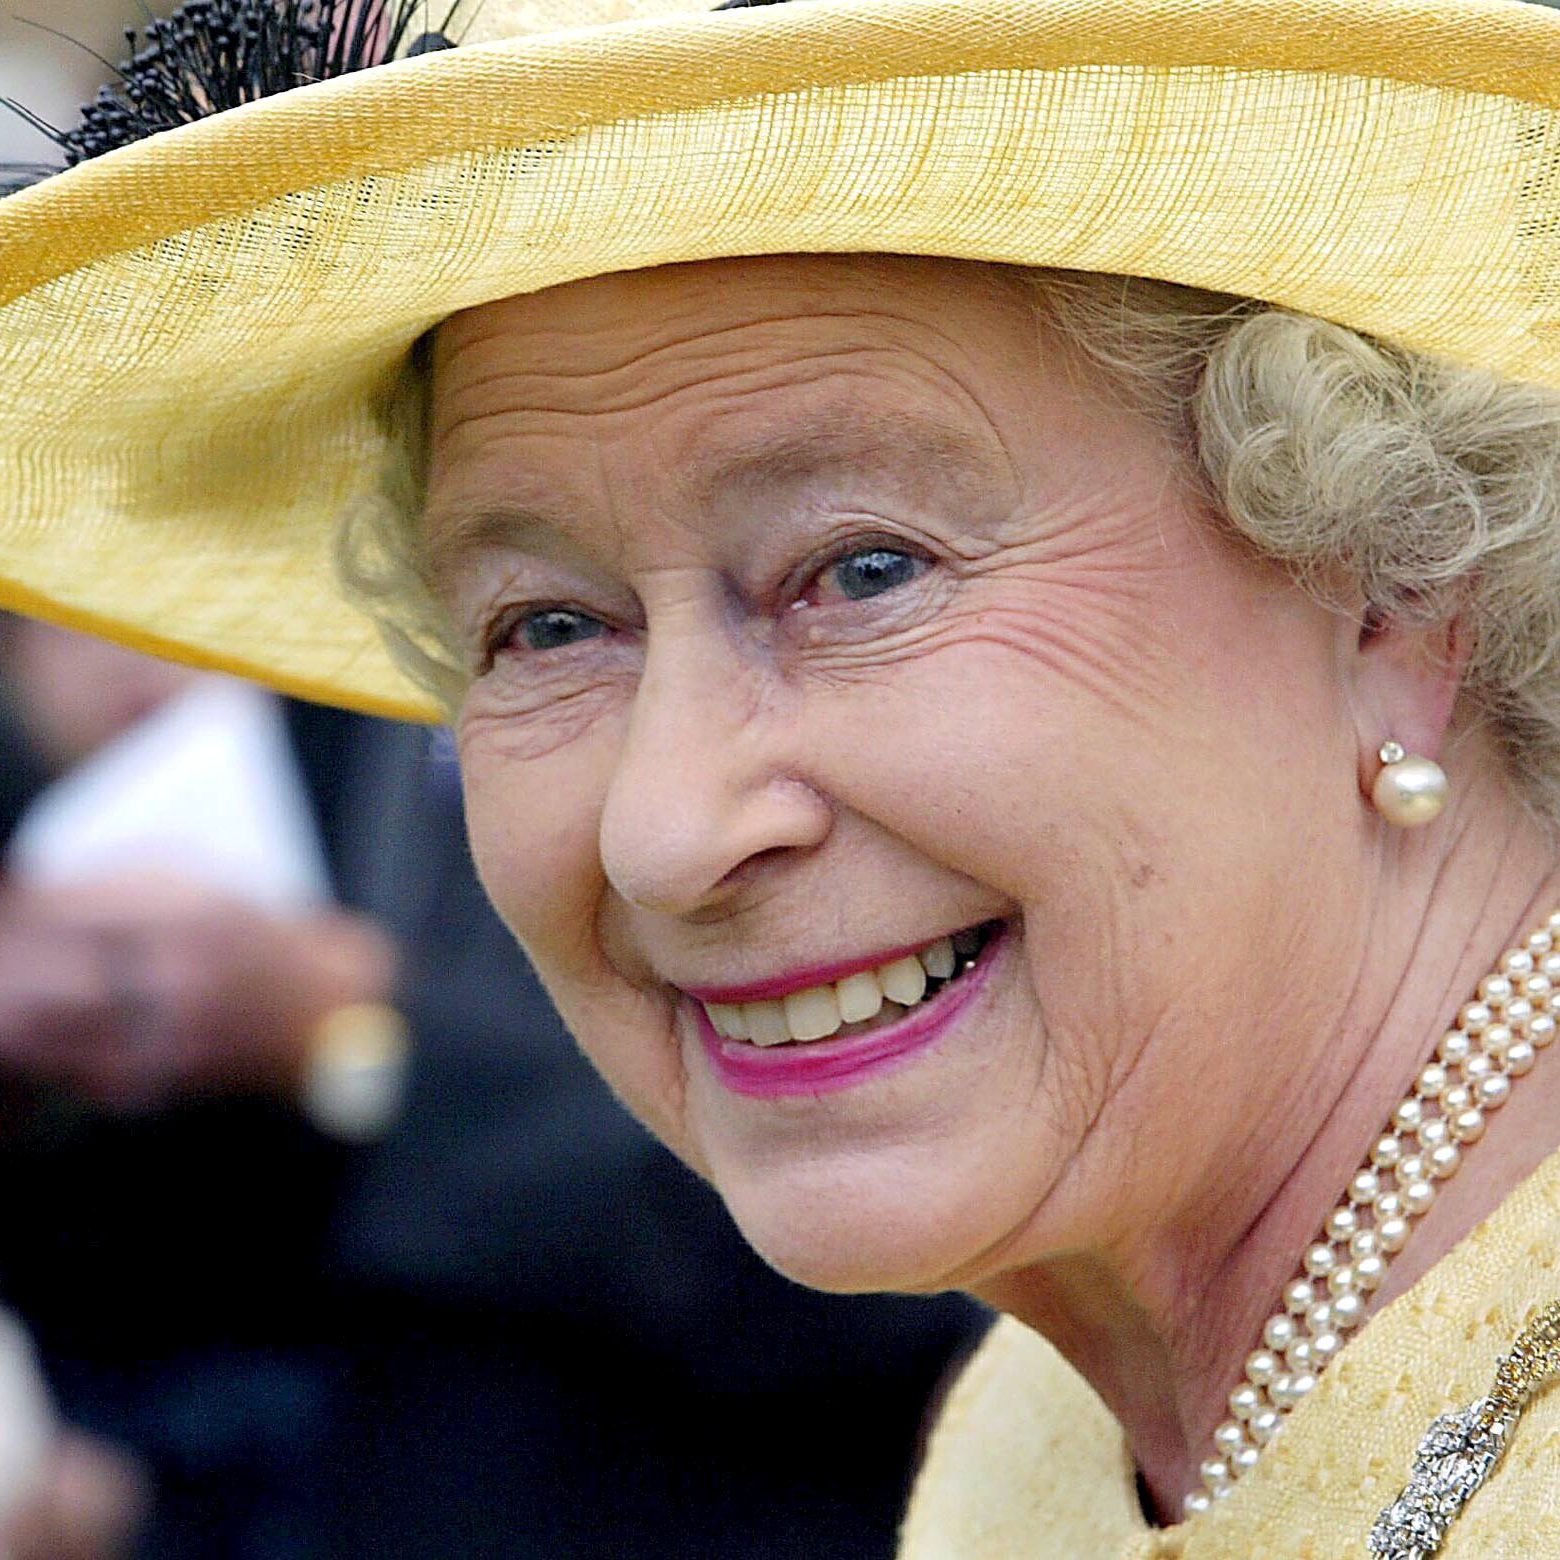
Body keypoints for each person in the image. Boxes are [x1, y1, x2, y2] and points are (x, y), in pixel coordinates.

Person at [3, 0, 1560, 1552]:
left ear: (1389, 582)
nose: (665, 831)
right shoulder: (1039, 1438)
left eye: (865, 570)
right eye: (546, 627)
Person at [0, 619, 984, 1558]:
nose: (127, 655)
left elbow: (841, 1250)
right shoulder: (256, 781)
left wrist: (353, 1036)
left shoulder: (674, 771)